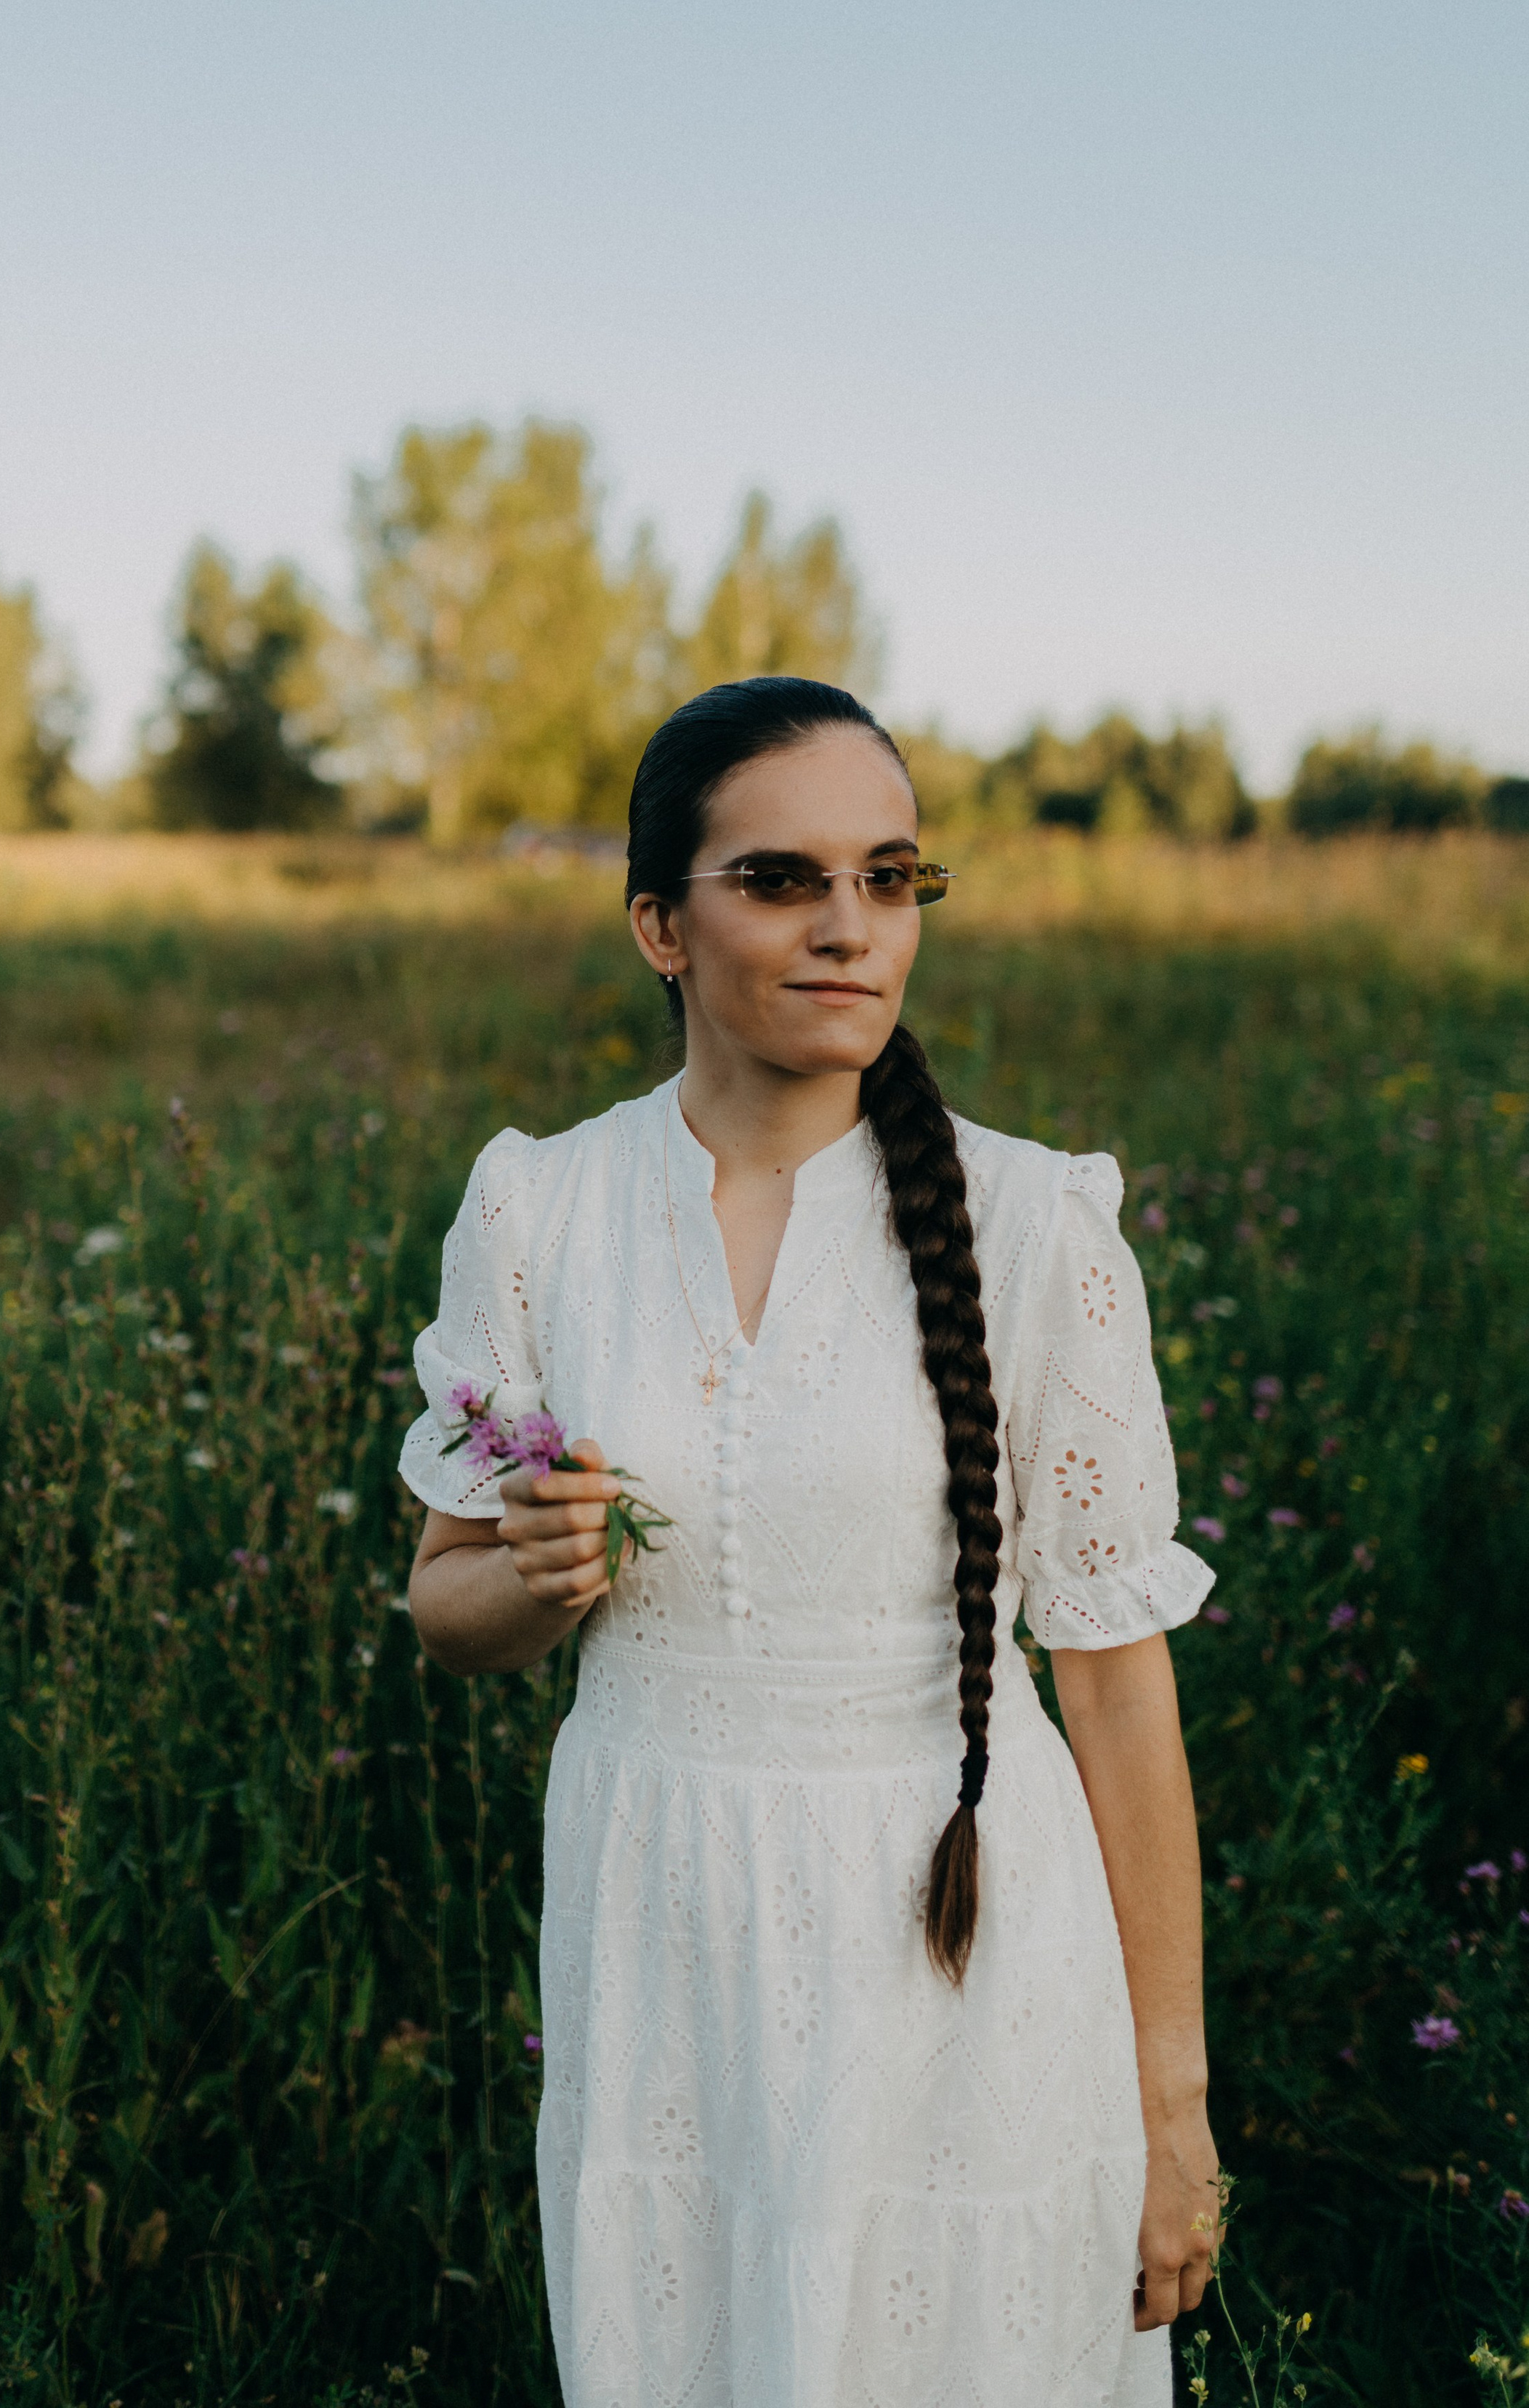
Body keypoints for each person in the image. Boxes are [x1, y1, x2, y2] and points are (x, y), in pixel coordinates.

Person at [401, 677, 1222, 2406]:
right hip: (663, 1936)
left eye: (888, 878)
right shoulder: (537, 1207)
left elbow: (1113, 1685)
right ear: (658, 927)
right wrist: (534, 1582)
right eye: (781, 881)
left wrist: (1170, 2108)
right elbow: (443, 1606)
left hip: (958, 1929)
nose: (850, 928)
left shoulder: (1033, 1224)